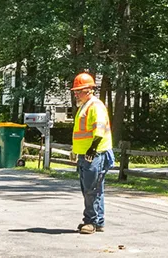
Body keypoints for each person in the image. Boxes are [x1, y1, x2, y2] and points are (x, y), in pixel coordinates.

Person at [70, 71, 114, 234]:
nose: (76, 94)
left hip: (95, 154)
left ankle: (91, 222)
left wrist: (92, 149)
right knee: (92, 188)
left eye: (78, 91)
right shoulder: (85, 106)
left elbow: (99, 129)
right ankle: (97, 221)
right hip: (88, 154)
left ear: (89, 90)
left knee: (91, 190)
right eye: (75, 91)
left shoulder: (95, 106)